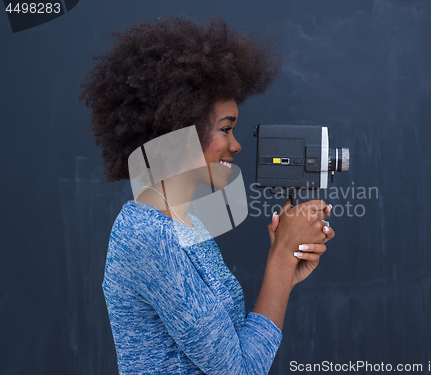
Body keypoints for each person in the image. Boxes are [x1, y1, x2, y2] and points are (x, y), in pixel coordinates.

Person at [79, 16, 335, 375]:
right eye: (226, 129)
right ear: (179, 131)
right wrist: (278, 261)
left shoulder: (184, 224)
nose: (236, 145)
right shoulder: (149, 237)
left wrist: (288, 265)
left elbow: (232, 353)